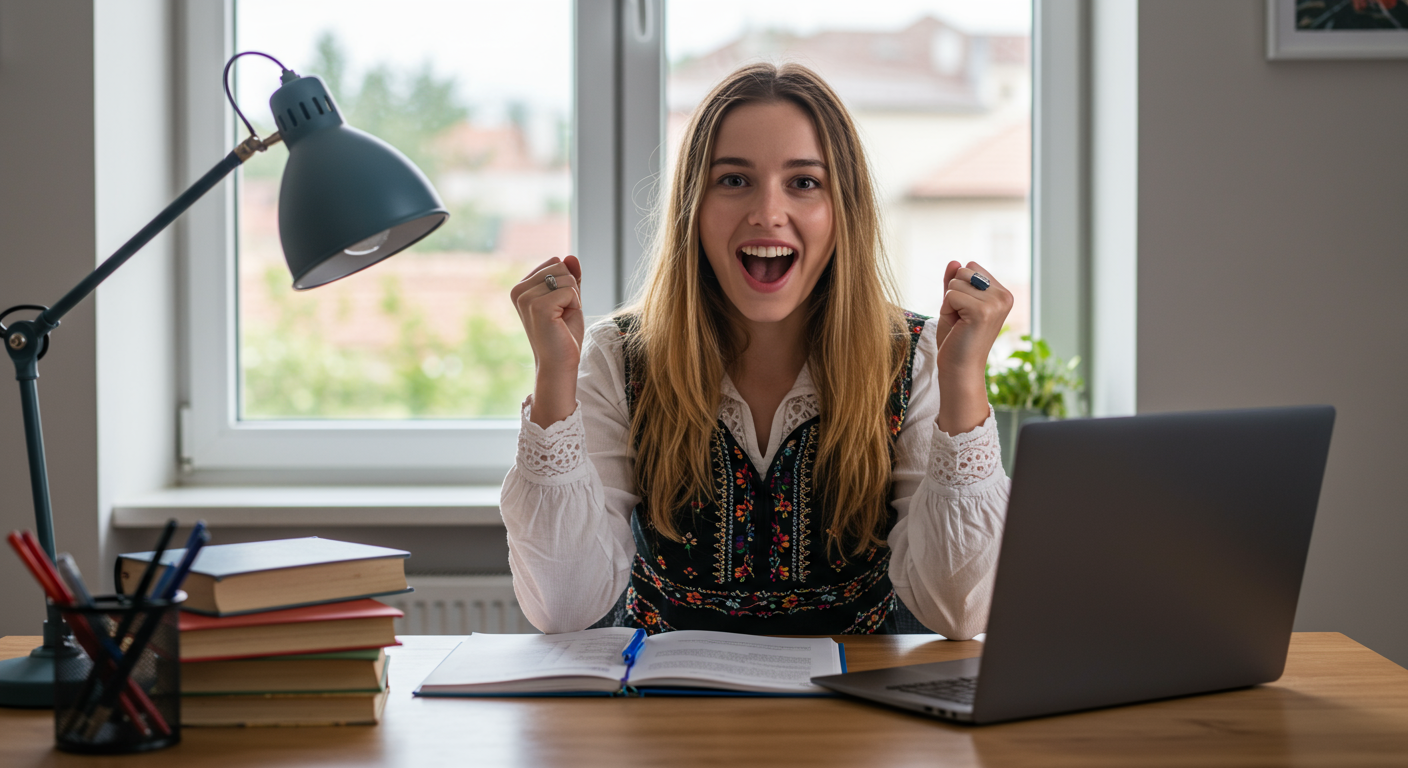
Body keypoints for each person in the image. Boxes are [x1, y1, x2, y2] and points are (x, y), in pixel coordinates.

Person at [502, 62, 1011, 638]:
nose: (768, 212)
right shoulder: (616, 358)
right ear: (693, 209)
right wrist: (553, 379)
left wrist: (964, 378)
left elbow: (961, 613)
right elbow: (563, 608)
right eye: (734, 180)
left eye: (804, 182)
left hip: (856, 718)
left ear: (844, 211)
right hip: (665, 713)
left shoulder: (915, 357)